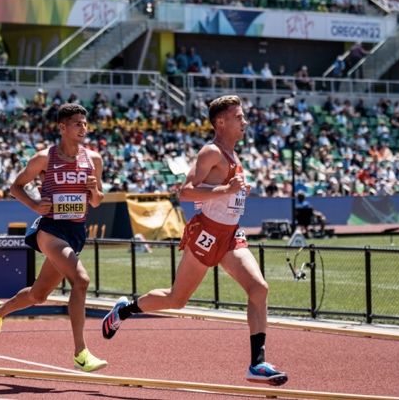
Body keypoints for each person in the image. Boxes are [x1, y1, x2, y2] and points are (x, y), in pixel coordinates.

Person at [100, 95, 288, 386]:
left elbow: (222, 192)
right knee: (177, 299)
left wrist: (235, 192)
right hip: (206, 234)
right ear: (221, 122)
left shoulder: (233, 155)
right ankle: (123, 310)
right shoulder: (210, 152)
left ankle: (257, 363)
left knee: (259, 288)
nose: (245, 122)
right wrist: (226, 189)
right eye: (238, 117)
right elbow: (185, 193)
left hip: (230, 234)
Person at [0, 103, 108, 373]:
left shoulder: (93, 159)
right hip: (50, 229)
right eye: (77, 123)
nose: (83, 128)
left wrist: (94, 190)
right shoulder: (44, 158)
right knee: (81, 281)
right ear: (62, 127)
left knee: (39, 294)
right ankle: (80, 352)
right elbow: (15, 187)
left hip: (76, 232)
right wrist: (35, 205)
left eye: (85, 123)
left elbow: (97, 202)